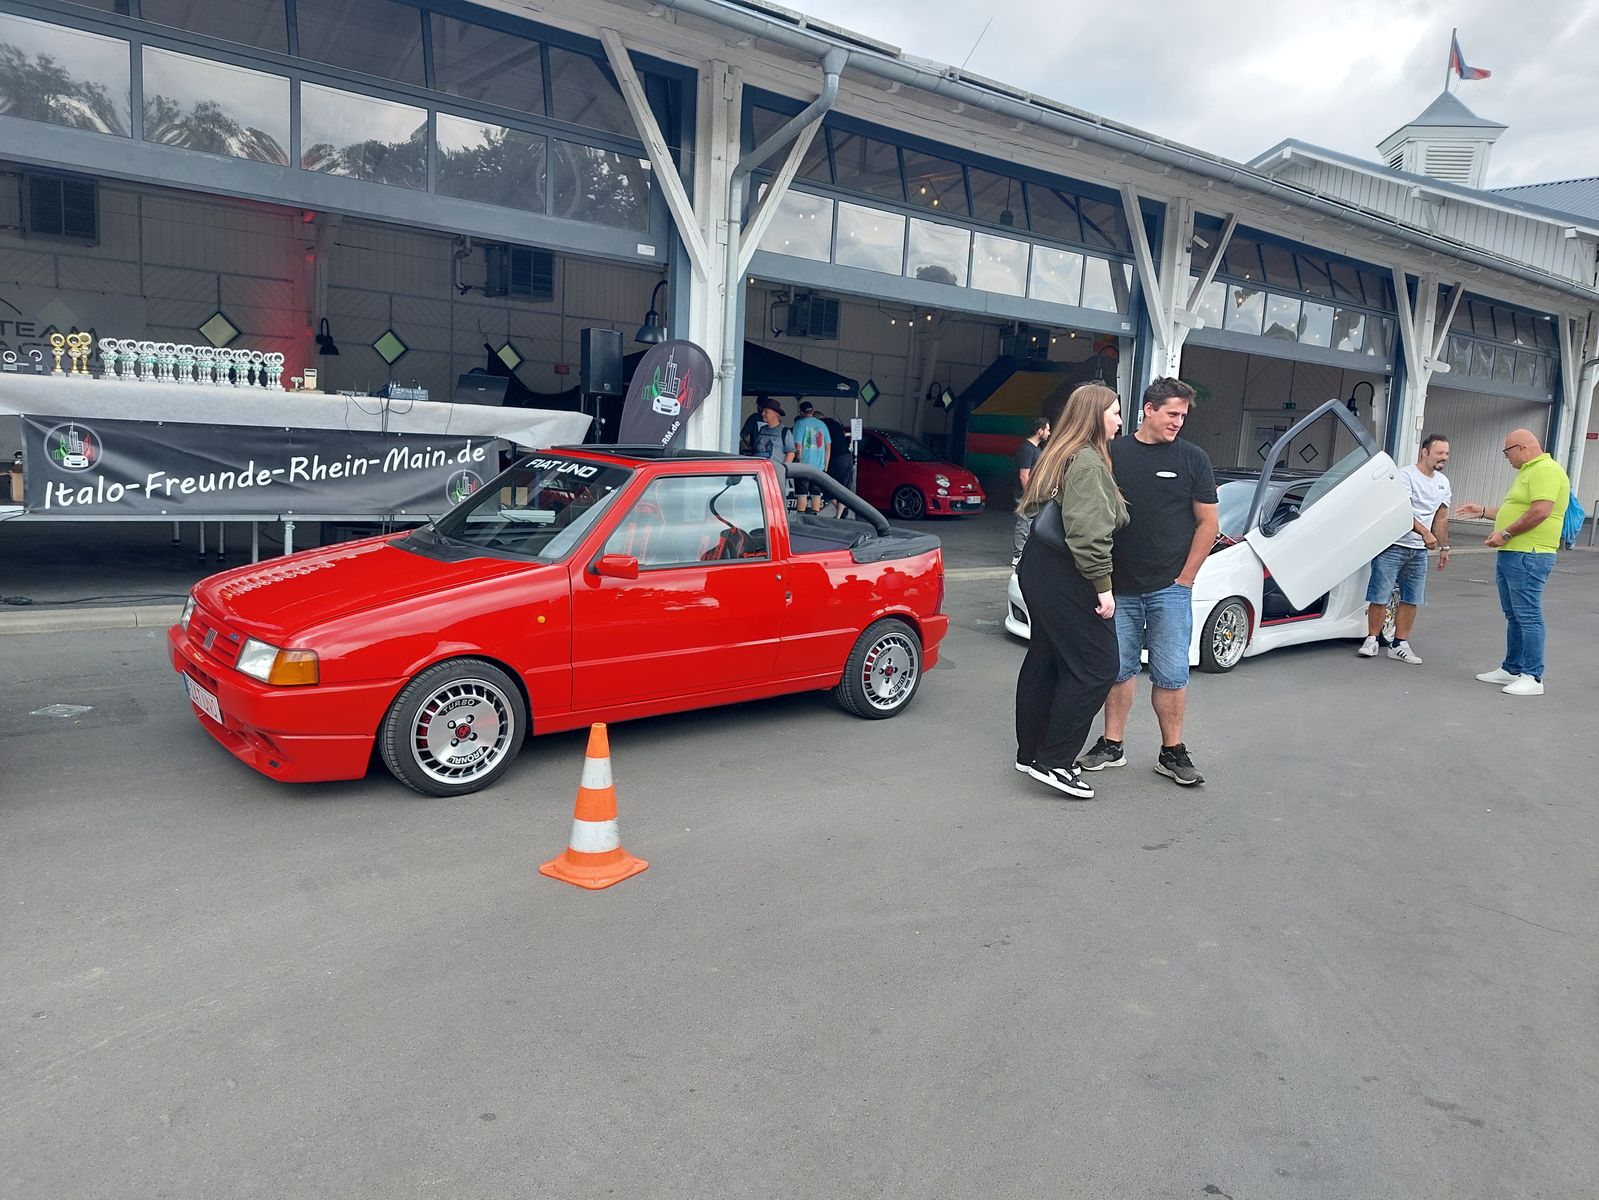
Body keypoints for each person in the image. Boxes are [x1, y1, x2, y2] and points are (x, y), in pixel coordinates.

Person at [1079, 377, 1218, 786]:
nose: (1178, 422)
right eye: (1172, 413)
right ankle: (1112, 745)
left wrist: (1186, 579)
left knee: (1171, 674)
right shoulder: (1112, 454)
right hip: (1117, 588)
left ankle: (1172, 752)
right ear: (1149, 409)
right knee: (1117, 670)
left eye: (1183, 416)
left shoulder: (1193, 459)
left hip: (1169, 589)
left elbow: (1208, 524)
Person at [1013, 384, 1128, 799]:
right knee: (1099, 665)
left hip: (1039, 565)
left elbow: (1034, 510)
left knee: (1045, 657)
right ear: (1096, 415)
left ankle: (1031, 753)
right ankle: (1056, 761)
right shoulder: (1089, 462)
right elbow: (1088, 535)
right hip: (1067, 572)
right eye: (1115, 412)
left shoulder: (1060, 453)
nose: (1120, 421)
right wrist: (1103, 588)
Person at [1454, 428, 1570, 697]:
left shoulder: (1545, 470)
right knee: (1514, 614)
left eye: (1507, 452)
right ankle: (1512, 668)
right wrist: (1483, 511)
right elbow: (1518, 509)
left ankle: (1533, 676)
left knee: (1528, 615)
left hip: (1530, 553)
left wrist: (1505, 534)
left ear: (1522, 448)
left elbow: (1540, 511)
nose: (1506, 457)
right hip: (1515, 552)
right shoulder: (1529, 471)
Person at [1357, 433, 1453, 665]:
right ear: (1425, 452)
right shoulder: (1405, 475)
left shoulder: (1443, 482)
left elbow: (1441, 517)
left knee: (1412, 598)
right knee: (1380, 594)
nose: (1444, 457)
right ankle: (1372, 639)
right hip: (1393, 545)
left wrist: (1444, 547)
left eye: (1447, 453)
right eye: (1439, 452)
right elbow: (1402, 510)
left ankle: (1399, 644)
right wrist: (1425, 533)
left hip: (1418, 552)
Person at [1012, 416, 1051, 566]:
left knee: (1031, 524)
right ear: (1040, 431)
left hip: (1035, 494)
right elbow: (1024, 476)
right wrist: (1029, 494)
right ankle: (1018, 556)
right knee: (1024, 523)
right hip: (1026, 495)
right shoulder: (1027, 449)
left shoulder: (1036, 449)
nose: (1049, 433)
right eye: (1047, 430)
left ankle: (1026, 555)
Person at [791, 401, 832, 514]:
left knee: (802, 494)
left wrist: (798, 462)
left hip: (803, 466)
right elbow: (828, 446)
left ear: (801, 412)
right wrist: (826, 466)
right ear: (812, 411)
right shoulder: (822, 425)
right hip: (819, 466)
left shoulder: (799, 424)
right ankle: (815, 516)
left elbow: (798, 446)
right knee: (816, 494)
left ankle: (801, 517)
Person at [749, 397, 795, 479]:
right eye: (763, 411)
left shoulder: (784, 431)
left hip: (774, 474)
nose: (762, 413)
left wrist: (783, 471)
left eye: (766, 412)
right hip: (759, 472)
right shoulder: (762, 429)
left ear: (775, 414)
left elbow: (790, 453)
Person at [822, 416, 855, 517]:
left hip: (836, 458)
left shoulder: (821, 426)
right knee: (844, 488)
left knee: (825, 485)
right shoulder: (836, 424)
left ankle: (839, 509)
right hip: (848, 457)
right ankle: (839, 515)